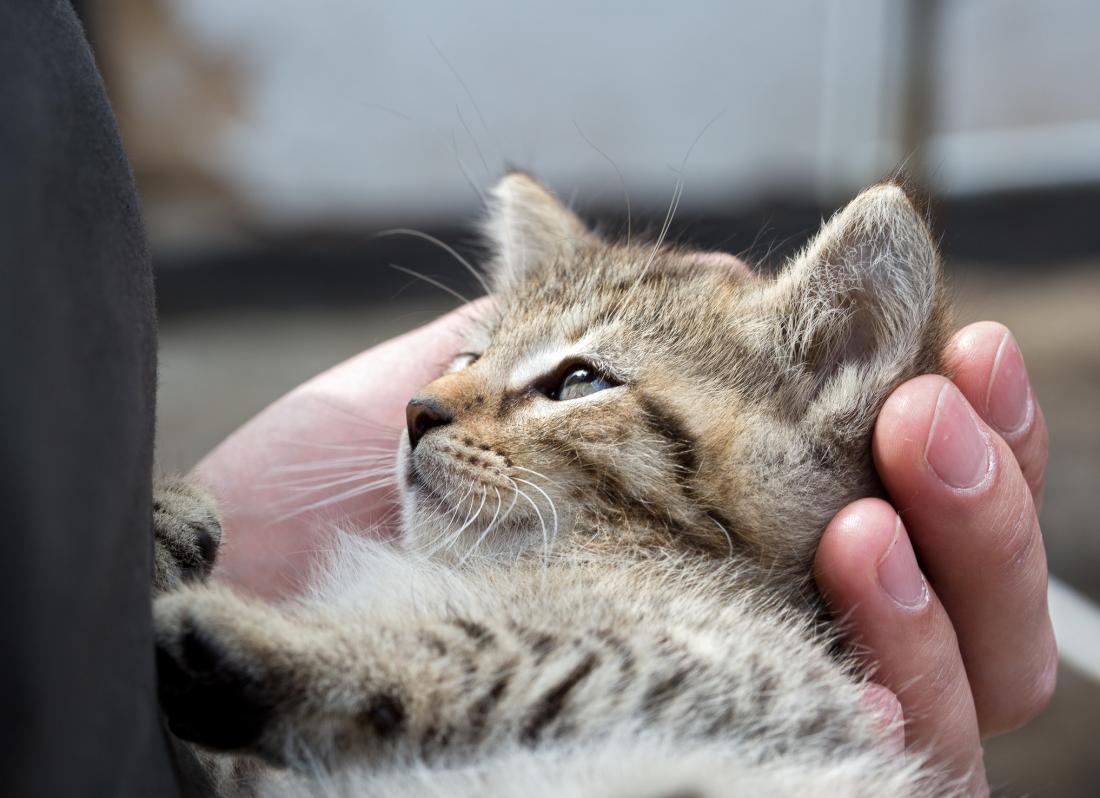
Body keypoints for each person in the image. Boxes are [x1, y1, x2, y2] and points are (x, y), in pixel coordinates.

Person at [1, 2, 1053, 796]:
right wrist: (99, 626)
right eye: (469, 364)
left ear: (825, 378)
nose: (433, 406)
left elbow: (703, 685)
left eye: (573, 381)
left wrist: (119, 626)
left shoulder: (694, 605)